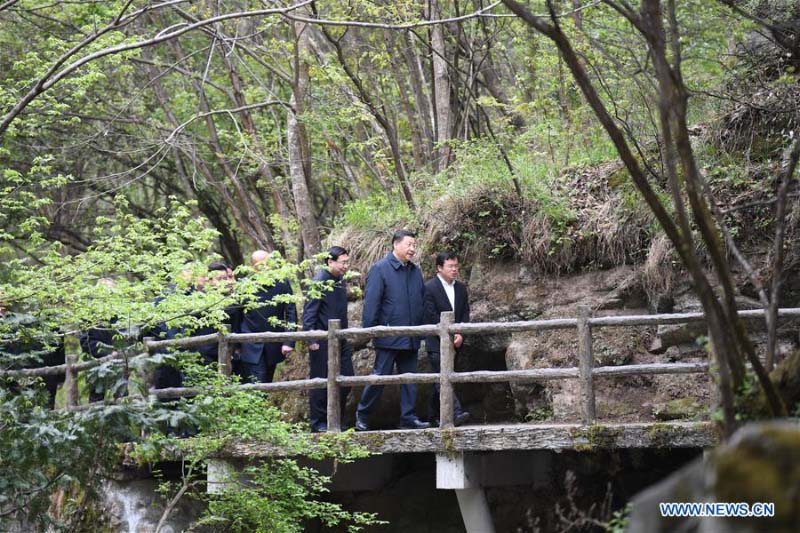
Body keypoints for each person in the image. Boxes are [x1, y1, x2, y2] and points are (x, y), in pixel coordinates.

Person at [355, 230, 430, 431]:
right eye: (409, 244)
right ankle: (362, 414)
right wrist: (371, 331)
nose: (412, 249)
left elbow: (421, 301)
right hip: (388, 336)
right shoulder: (380, 269)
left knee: (410, 379)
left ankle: (408, 417)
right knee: (380, 377)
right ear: (395, 244)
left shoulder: (415, 271)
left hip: (411, 335)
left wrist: (420, 329)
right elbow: (371, 303)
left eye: (414, 245)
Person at [303, 246, 354, 433]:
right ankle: (318, 423)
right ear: (330, 262)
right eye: (343, 262)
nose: (346, 266)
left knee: (346, 379)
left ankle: (336, 419)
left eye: (347, 262)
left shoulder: (340, 281)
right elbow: (309, 313)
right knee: (320, 382)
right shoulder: (319, 282)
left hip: (341, 338)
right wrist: (312, 339)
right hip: (322, 339)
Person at [423, 252, 471, 427]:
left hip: (456, 341)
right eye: (451, 266)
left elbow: (465, 312)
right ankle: (456, 412)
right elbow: (430, 315)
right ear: (439, 268)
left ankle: (431, 416)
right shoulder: (429, 287)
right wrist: (447, 335)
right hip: (436, 342)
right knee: (444, 377)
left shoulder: (460, 288)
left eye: (456, 266)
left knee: (440, 378)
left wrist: (460, 332)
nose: (454, 270)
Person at [238, 250, 297, 383]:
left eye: (267, 263)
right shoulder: (244, 285)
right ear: (253, 266)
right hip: (249, 342)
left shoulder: (281, 282)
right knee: (257, 381)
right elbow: (238, 315)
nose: (265, 267)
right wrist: (235, 343)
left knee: (267, 380)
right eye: (261, 264)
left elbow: (291, 312)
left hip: (273, 342)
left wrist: (289, 341)